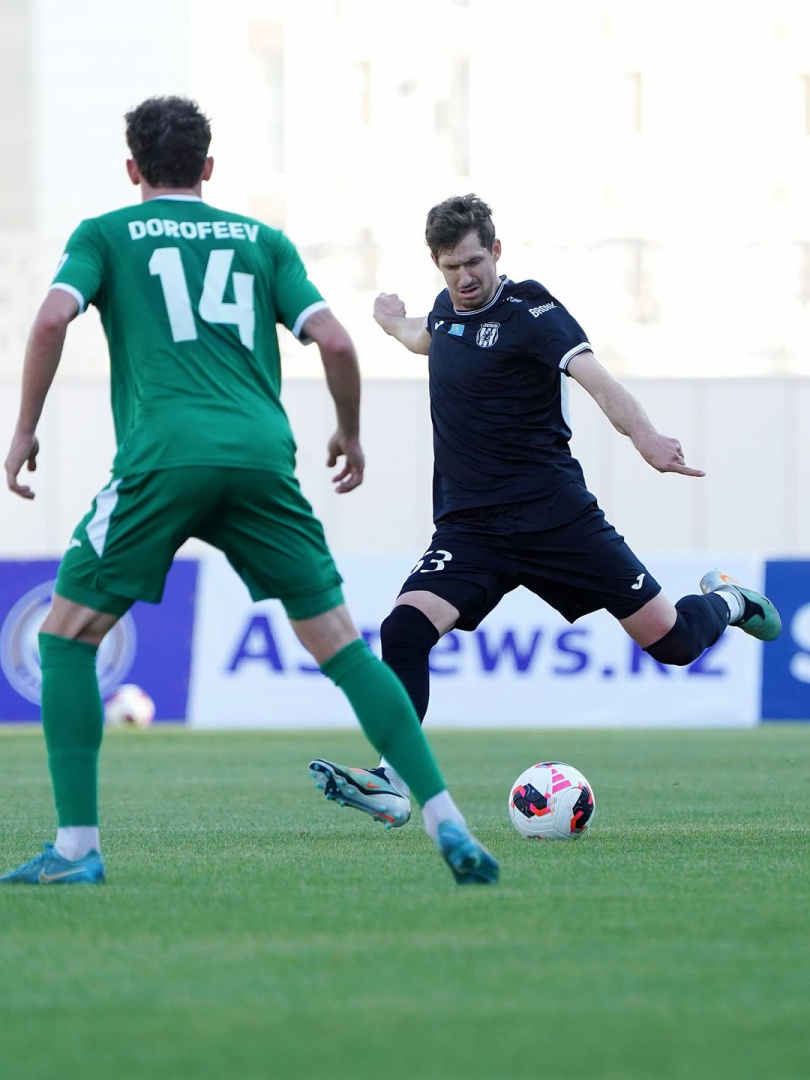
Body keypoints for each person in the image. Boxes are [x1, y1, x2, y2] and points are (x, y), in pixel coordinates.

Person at [0, 101, 497, 887]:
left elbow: (51, 321)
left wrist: (25, 429)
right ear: (208, 168)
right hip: (263, 459)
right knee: (343, 648)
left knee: (64, 641)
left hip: (163, 456)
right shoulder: (262, 241)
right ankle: (447, 821)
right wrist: (349, 433)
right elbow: (336, 340)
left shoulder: (105, 234)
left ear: (132, 169)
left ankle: (75, 850)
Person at [309, 193, 782, 827]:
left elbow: (598, 380)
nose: (465, 277)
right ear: (437, 265)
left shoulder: (533, 310)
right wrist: (391, 322)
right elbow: (427, 338)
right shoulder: (446, 311)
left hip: (557, 519)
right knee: (403, 630)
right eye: (451, 267)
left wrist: (644, 436)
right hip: (471, 529)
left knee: (673, 643)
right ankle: (392, 781)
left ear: (496, 250)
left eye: (475, 262)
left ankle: (728, 601)